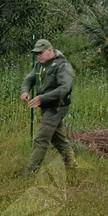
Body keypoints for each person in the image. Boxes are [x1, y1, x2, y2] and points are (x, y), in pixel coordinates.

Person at [20, 39, 77, 174]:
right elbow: (29, 79)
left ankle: (29, 172)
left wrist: (42, 98)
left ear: (50, 51)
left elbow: (65, 88)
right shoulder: (39, 65)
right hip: (46, 106)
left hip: (57, 106)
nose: (38, 56)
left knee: (41, 139)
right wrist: (25, 91)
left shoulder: (63, 65)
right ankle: (72, 166)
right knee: (58, 139)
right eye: (36, 53)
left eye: (40, 53)